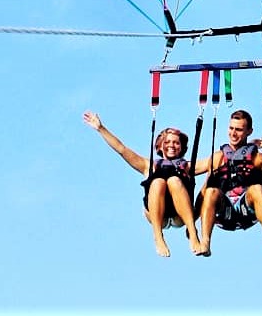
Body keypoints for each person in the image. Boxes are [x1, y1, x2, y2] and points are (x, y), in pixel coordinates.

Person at [83, 110, 208, 257]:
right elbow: (122, 149)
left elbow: (213, 162)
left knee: (174, 180)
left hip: (179, 216)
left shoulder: (187, 166)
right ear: (160, 146)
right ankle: (158, 237)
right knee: (158, 182)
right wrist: (101, 128)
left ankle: (193, 234)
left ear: (181, 147)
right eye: (167, 142)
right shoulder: (148, 165)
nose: (171, 145)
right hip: (156, 216)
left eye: (176, 142)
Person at [197, 108, 262, 252]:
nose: (233, 133)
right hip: (223, 213)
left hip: (248, 212)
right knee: (211, 190)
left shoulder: (258, 159)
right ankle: (205, 241)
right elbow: (203, 191)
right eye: (231, 128)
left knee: (256, 189)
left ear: (249, 131)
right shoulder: (218, 157)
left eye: (238, 129)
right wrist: (192, 224)